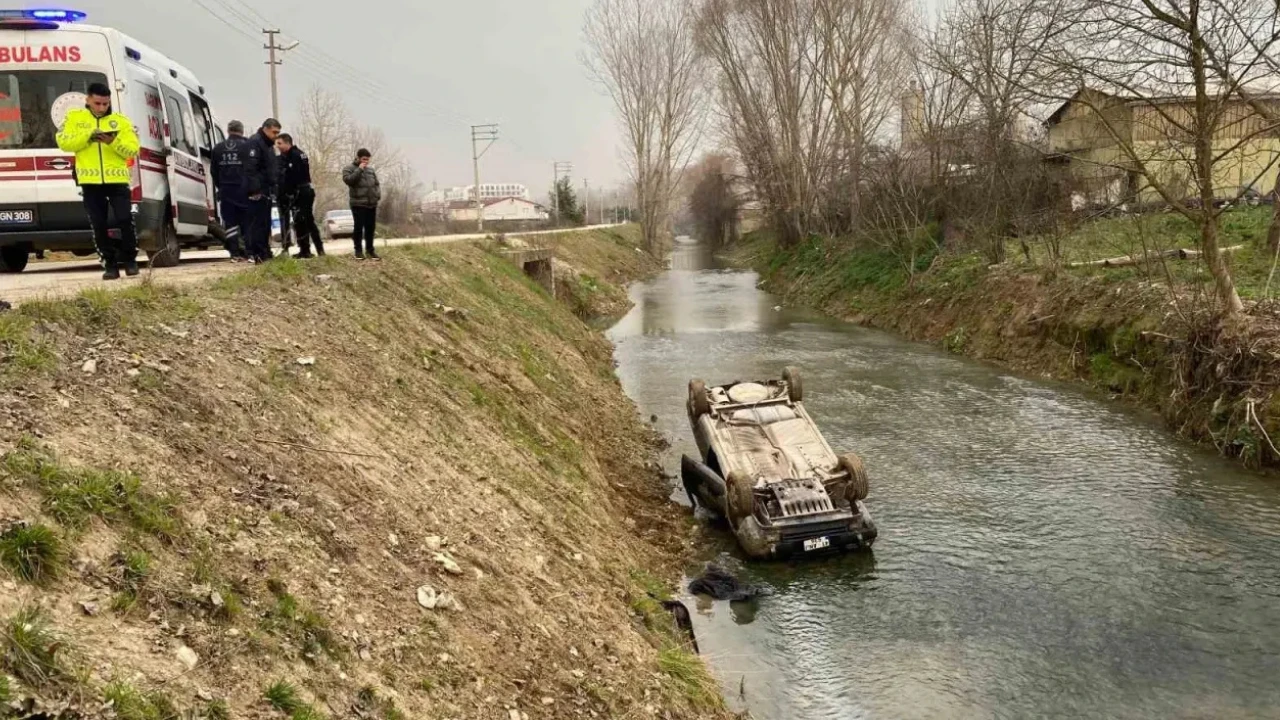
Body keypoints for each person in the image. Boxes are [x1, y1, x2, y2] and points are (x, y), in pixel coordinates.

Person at [56, 83, 141, 280]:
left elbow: (133, 150)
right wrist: (88, 136)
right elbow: (64, 142)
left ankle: (130, 260)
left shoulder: (121, 121)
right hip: (90, 180)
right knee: (98, 223)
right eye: (97, 103)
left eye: (105, 103)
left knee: (125, 219)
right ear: (87, 100)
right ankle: (109, 264)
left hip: (117, 180)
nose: (102, 107)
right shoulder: (74, 118)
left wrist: (113, 142)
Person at [275, 133, 324, 258]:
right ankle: (304, 250)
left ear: (287, 143)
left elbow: (295, 177)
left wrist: (289, 191)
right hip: (297, 192)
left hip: (302, 192)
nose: (278, 146)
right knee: (299, 222)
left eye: (280, 143)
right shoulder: (290, 155)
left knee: (308, 221)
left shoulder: (295, 155)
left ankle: (320, 250)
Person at [210, 120, 252, 262]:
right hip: (244, 190)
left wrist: (221, 186)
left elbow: (214, 171)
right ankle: (249, 252)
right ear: (242, 131)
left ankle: (234, 253)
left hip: (226, 190)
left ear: (228, 131)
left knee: (230, 223)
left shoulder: (218, 148)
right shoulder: (248, 146)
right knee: (247, 222)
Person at [242, 118, 282, 263]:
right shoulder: (255, 142)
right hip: (257, 191)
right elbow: (250, 168)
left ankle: (265, 251)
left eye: (278, 133)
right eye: (274, 132)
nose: (276, 136)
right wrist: (255, 190)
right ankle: (258, 253)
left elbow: (270, 168)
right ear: (265, 129)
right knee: (258, 224)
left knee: (265, 223)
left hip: (266, 189)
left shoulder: (268, 145)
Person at [343, 148, 382, 260]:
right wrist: (359, 169)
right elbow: (349, 181)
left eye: (368, 159)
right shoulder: (349, 168)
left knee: (370, 228)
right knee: (359, 228)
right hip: (358, 203)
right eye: (364, 159)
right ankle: (358, 251)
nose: (366, 161)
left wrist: (377, 195)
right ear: (358, 158)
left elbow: (376, 184)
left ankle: (370, 251)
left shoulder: (371, 170)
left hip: (371, 203)